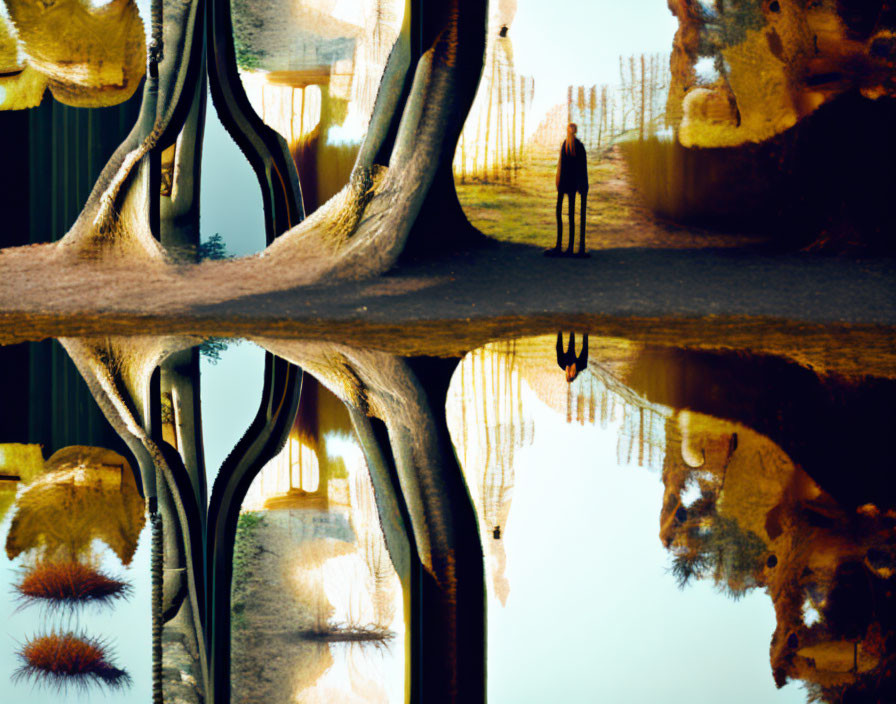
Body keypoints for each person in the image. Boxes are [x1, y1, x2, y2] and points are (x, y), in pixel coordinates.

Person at [546, 123, 589, 257]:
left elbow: (582, 167)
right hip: (565, 184)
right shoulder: (566, 144)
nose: (571, 132)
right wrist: (559, 182)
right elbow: (561, 165)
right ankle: (562, 246)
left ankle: (569, 247)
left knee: (569, 214)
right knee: (562, 212)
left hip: (570, 185)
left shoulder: (577, 146)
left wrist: (582, 185)